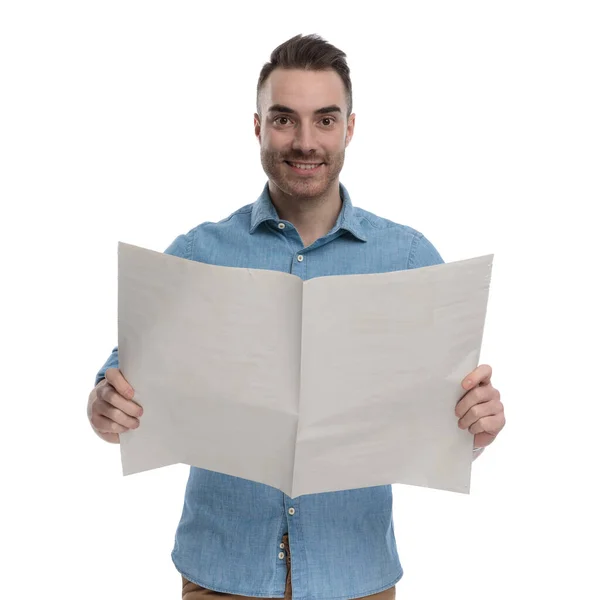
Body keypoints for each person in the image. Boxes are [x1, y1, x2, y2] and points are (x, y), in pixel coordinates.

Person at [88, 33, 506, 600]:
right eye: (284, 119)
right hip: (221, 575)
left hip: (355, 576)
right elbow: (121, 380)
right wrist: (104, 406)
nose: (305, 141)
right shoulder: (199, 254)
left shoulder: (408, 260)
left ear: (350, 129)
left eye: (325, 120)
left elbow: (442, 417)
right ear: (257, 126)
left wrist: (475, 428)